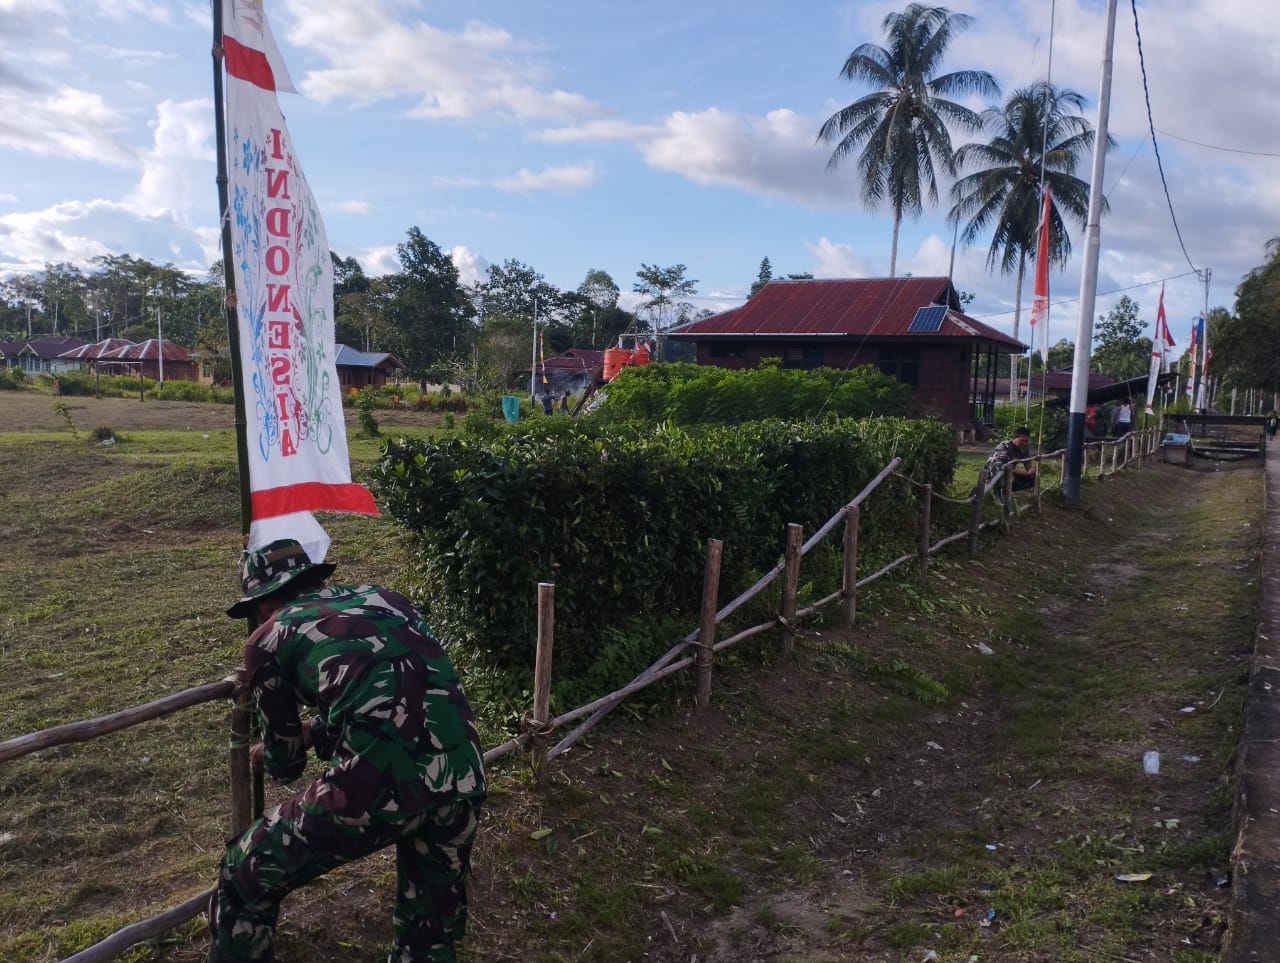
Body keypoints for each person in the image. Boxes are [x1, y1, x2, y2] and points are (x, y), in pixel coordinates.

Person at [208, 539, 487, 963]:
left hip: (376, 787)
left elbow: (285, 764)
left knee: (243, 871)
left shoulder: (266, 639)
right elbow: (398, 688)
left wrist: (280, 746)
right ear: (316, 578)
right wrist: (317, 730)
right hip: (462, 773)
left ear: (262, 605)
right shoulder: (386, 597)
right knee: (429, 932)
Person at [982, 425, 1037, 496]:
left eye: (1026, 441)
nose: (1024, 443)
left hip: (1009, 472)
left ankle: (1006, 491)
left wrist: (1032, 470)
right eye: (1022, 440)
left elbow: (1028, 466)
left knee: (1032, 478)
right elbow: (1004, 467)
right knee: (1001, 470)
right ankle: (999, 491)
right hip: (994, 473)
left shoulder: (1024, 448)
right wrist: (1026, 473)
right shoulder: (1004, 447)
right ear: (1014, 438)